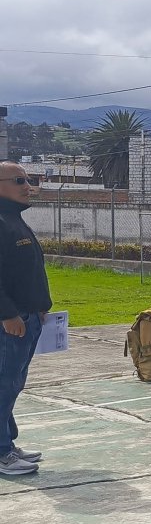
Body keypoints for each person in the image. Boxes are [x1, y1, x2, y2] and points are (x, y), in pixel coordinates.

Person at [0, 162, 50, 475]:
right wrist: (7, 315)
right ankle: (2, 453)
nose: (27, 185)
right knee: (3, 385)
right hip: (11, 324)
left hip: (28, 319)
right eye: (19, 180)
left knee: (13, 384)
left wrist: (40, 307)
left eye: (29, 180)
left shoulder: (13, 220)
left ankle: (7, 443)